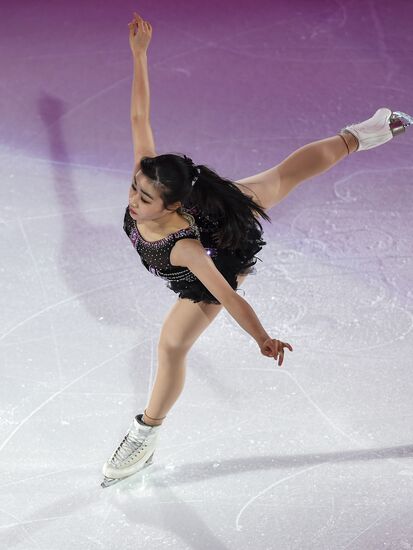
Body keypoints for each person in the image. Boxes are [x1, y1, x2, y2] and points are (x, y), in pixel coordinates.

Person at [101, 12, 412, 488]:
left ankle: (146, 432)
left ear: (174, 204)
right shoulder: (153, 175)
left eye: (145, 199)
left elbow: (228, 297)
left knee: (170, 344)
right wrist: (140, 56)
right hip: (214, 210)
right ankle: (363, 132)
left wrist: (262, 338)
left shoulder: (186, 250)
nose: (133, 202)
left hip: (221, 254)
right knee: (279, 176)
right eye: (134, 190)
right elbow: (139, 116)